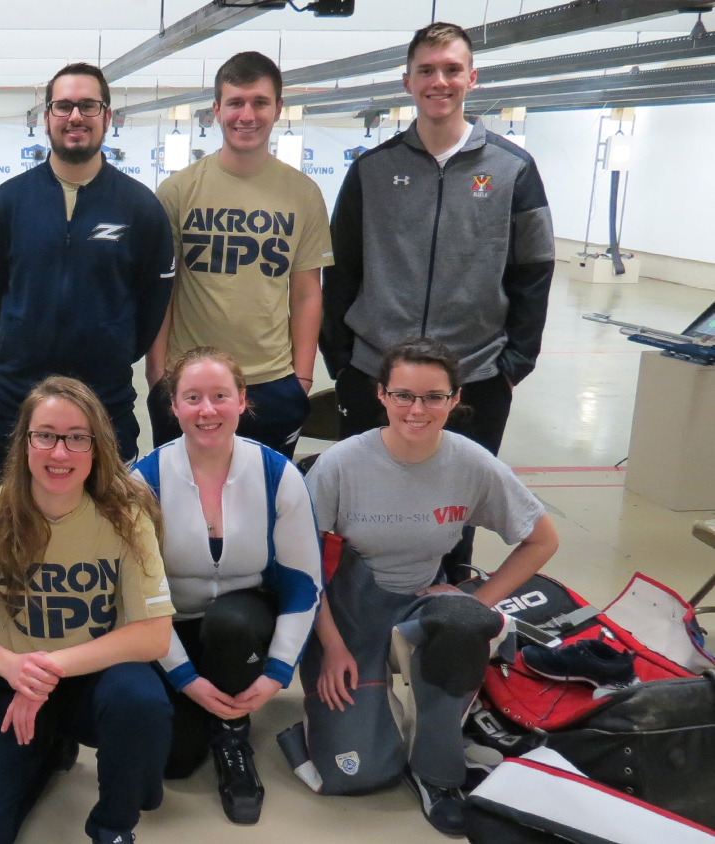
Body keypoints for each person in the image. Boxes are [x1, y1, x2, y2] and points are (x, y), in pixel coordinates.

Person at [291, 338, 558, 837]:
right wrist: (329, 648)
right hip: (349, 617)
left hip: (418, 607)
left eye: (434, 397)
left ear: (455, 399)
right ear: (382, 395)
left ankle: (437, 771)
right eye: (404, 395)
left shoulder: (472, 464)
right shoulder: (341, 465)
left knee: (464, 622)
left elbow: (541, 539)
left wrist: (476, 600)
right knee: (358, 771)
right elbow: (302, 569)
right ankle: (326, 726)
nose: (418, 409)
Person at [321, 22, 554, 577]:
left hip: (473, 376)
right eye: (427, 70)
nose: (439, 80)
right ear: (407, 81)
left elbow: (535, 268)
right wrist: (344, 361)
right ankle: (357, 617)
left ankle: (443, 617)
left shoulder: (512, 169)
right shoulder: (371, 171)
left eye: (451, 69)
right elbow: (341, 270)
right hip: (377, 372)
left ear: (472, 78)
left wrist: (513, 364)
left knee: (455, 512)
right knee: (364, 508)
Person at [0, 376, 175, 844]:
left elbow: (154, 636)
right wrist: (13, 667)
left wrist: (47, 670)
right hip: (7, 675)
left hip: (91, 673)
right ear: (24, 443)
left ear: (97, 447)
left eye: (76, 438)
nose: (59, 453)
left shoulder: (125, 518)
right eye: (45, 435)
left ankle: (113, 826)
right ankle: (47, 751)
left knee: (141, 703)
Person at [130, 347, 322, 826]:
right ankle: (207, 713)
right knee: (175, 761)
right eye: (192, 397)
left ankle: (234, 732)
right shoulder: (142, 481)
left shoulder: (278, 474)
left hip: (242, 623)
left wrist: (278, 672)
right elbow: (138, 596)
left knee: (230, 623)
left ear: (242, 401)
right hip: (168, 629)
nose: (207, 410)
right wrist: (183, 678)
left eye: (220, 396)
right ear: (172, 407)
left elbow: (303, 584)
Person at [0, 63, 175, 482]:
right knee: (16, 530)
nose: (75, 116)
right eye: (63, 106)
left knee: (106, 531)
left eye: (88, 105)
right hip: (19, 400)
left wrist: (111, 343)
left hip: (106, 402)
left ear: (107, 115)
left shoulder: (140, 208)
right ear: (46, 117)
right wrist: (28, 328)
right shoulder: (7, 202)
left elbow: (153, 303)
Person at [149, 52, 331, 459]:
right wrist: (157, 372)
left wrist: (301, 379)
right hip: (188, 379)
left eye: (260, 102)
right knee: (183, 506)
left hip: (271, 381)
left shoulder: (303, 193)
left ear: (278, 108)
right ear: (216, 109)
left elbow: (306, 293)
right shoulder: (178, 191)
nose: (246, 115)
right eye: (235, 103)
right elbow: (163, 290)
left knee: (265, 505)